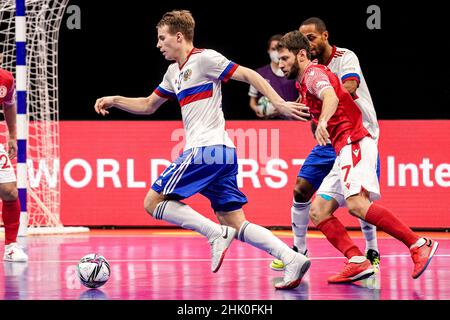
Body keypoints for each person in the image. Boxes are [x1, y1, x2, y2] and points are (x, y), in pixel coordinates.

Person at [94, 10, 312, 290]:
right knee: (234, 223)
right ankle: (290, 257)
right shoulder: (174, 72)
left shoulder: (205, 59)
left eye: (162, 39)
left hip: (207, 150)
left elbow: (248, 75)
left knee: (152, 202)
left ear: (179, 36)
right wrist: (115, 99)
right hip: (222, 155)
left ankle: (212, 233)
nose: (158, 45)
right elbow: (148, 105)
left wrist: (279, 103)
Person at [276, 30, 438, 283]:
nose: (280, 64)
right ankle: (356, 259)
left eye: (285, 58)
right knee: (318, 211)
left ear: (302, 55)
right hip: (342, 149)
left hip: (355, 142)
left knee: (357, 205)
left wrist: (323, 122)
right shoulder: (303, 81)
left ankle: (418, 243)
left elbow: (329, 94)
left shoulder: (312, 74)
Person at [270, 17, 380, 272]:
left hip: (358, 133)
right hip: (330, 137)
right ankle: (298, 250)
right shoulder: (308, 69)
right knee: (301, 190)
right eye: (303, 39)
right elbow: (315, 102)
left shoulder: (344, 58)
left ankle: (372, 249)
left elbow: (348, 86)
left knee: (359, 200)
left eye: (311, 38)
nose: (307, 43)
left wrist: (321, 91)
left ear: (325, 36)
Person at [0, 66, 28, 262]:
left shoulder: (6, 79)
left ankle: (11, 246)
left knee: (10, 191)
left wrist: (12, 134)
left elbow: (8, 105)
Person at [248, 35, 298, 119]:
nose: (276, 52)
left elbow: (302, 99)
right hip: (267, 125)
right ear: (268, 50)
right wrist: (258, 109)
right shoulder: (259, 73)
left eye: (279, 49)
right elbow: (252, 101)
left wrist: (282, 109)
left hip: (290, 122)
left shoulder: (294, 73)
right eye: (273, 49)